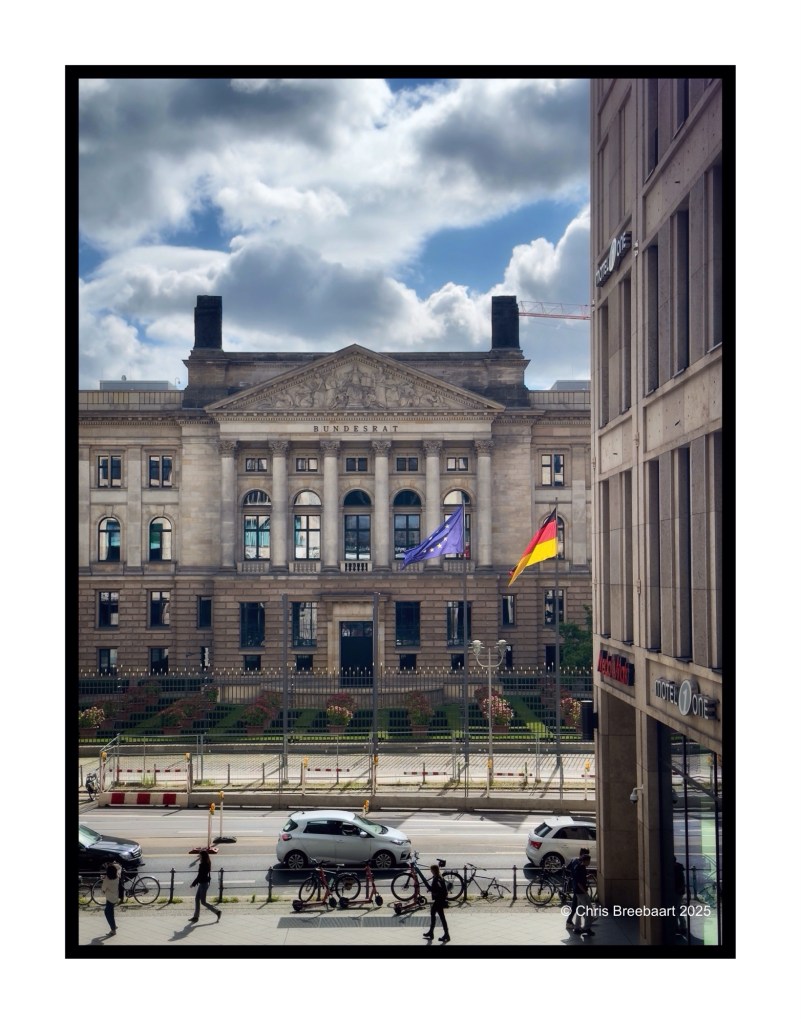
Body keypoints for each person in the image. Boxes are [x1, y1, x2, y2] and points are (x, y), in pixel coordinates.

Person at [189, 850, 221, 923]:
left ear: (202, 856)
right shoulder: (206, 863)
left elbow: (199, 876)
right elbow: (201, 876)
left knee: (203, 902)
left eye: (199, 855)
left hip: (203, 884)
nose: (199, 857)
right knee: (197, 899)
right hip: (203, 883)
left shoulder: (203, 864)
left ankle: (217, 911)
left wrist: (193, 884)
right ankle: (195, 917)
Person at [422, 863, 450, 943]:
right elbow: (439, 888)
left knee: (440, 916)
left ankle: (445, 934)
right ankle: (434, 932)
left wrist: (431, 889)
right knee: (436, 914)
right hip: (440, 899)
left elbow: (439, 889)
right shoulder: (439, 877)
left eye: (431, 870)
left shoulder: (437, 878)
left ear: (434, 870)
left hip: (439, 900)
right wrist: (431, 889)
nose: (430, 871)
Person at [565, 847, 590, 930]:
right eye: (586, 855)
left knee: (577, 905)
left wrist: (573, 877)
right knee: (577, 905)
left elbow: (567, 870)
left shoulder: (574, 860)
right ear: (583, 854)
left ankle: (575, 923)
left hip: (574, 886)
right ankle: (571, 922)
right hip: (579, 888)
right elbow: (579, 878)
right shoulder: (580, 864)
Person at [572, 853, 594, 936]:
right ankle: (587, 928)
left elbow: (582, 879)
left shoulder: (582, 867)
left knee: (580, 910)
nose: (589, 862)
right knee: (589, 910)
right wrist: (585, 892)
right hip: (581, 892)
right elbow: (579, 883)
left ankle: (577, 928)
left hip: (579, 892)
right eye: (588, 861)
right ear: (585, 861)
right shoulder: (579, 869)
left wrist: (588, 876)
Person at [100, 862, 120, 936]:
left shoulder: (107, 880)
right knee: (110, 912)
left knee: (107, 913)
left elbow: (103, 890)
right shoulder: (117, 877)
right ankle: (114, 926)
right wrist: (113, 865)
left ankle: (113, 929)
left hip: (109, 899)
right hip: (115, 897)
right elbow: (118, 867)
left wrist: (103, 892)